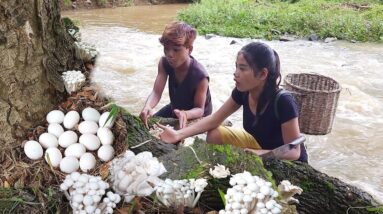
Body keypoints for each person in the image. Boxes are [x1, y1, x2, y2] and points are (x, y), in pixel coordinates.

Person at [158, 42, 308, 162]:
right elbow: (214, 119)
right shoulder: (243, 92)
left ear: (262, 74)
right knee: (215, 133)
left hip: (285, 159)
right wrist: (178, 135)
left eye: (242, 69)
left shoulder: (283, 101)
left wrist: (262, 154)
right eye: (236, 67)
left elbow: (294, 151)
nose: (236, 74)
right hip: (258, 147)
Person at [140, 21, 212, 129]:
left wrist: (186, 114)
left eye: (176, 50)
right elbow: (156, 92)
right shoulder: (164, 63)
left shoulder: (200, 76)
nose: (170, 54)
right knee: (145, 125)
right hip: (175, 108)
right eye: (166, 48)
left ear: (189, 49)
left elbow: (200, 109)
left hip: (196, 116)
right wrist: (148, 106)